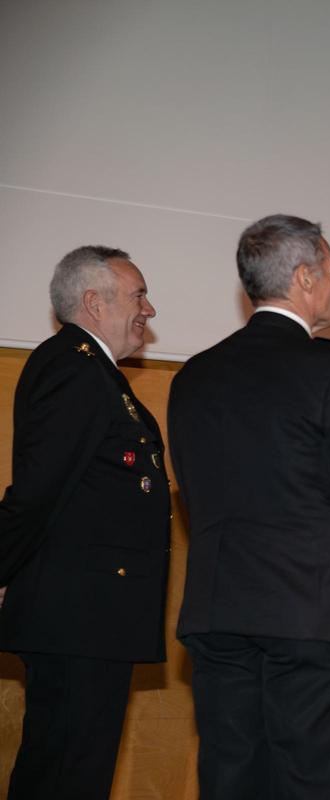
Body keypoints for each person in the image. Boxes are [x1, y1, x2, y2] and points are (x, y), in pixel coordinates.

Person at [169, 215, 330, 800]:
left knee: (232, 781)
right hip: (313, 611)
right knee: (318, 783)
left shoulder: (193, 375)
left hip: (218, 611)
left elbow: (193, 492)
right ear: (304, 278)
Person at [0, 246, 169, 799]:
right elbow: (37, 490)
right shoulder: (73, 367)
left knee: (76, 772)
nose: (149, 309)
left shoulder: (95, 371)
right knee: (64, 775)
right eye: (138, 295)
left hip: (92, 614)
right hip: (77, 614)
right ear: (94, 302)